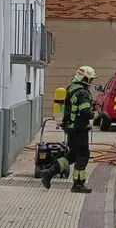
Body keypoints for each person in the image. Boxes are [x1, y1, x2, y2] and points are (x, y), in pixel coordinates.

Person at [41, 65, 98, 193]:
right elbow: (85, 112)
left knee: (72, 155)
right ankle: (78, 184)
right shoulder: (82, 92)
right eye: (89, 79)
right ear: (83, 78)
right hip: (79, 129)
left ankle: (49, 172)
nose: (90, 82)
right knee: (82, 156)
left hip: (70, 128)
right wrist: (99, 115)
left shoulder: (70, 89)